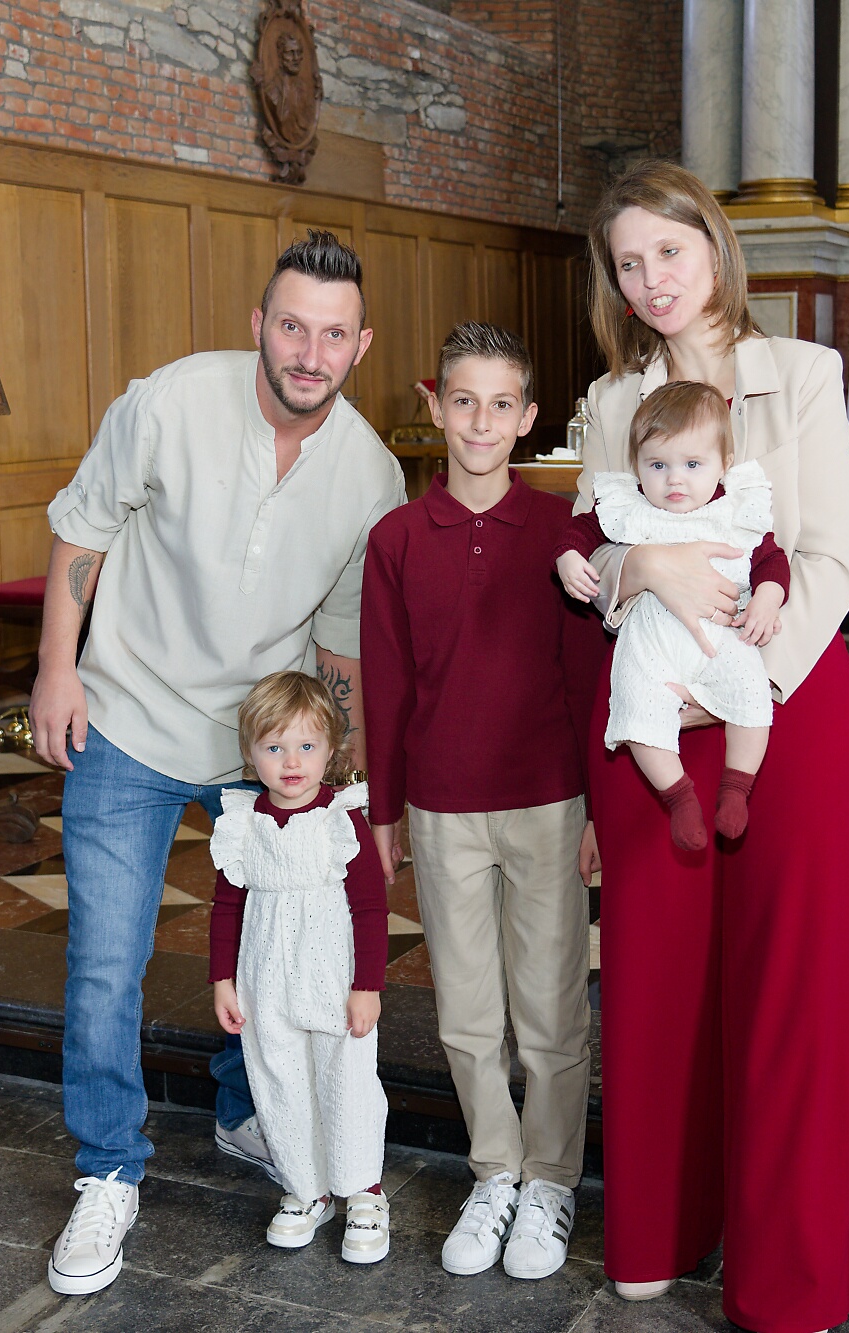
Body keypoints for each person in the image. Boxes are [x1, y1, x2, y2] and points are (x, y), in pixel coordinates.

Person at [33, 231, 404, 1297]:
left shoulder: (371, 474)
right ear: (258, 325)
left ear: (360, 345)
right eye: (292, 326)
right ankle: (108, 1169)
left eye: (332, 335)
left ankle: (248, 1113)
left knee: (285, 948)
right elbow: (82, 534)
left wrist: (344, 788)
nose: (309, 352)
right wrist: (55, 672)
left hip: (266, 746)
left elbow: (340, 646)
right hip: (127, 718)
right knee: (106, 963)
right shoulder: (170, 402)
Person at [575, 160, 849, 1333]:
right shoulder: (611, 400)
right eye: (627, 262)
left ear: (713, 245)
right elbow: (592, 561)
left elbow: (830, 554)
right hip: (652, 720)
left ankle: (785, 1278)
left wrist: (741, 684)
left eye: (668, 250)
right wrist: (636, 566)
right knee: (654, 987)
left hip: (778, 709)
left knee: (791, 994)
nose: (650, 279)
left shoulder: (799, 375)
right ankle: (658, 1229)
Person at [360, 322, 606, 1280]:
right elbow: (386, 684)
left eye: (502, 404)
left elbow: (588, 678)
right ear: (435, 405)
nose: (481, 422)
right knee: (465, 1010)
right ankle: (495, 1170)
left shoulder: (561, 532)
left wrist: (599, 809)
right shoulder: (395, 539)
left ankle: (550, 1179)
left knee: (549, 1005)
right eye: (463, 401)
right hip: (441, 806)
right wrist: (386, 810)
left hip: (548, 800)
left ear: (530, 417)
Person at [555, 380, 789, 850]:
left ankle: (736, 789)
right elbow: (580, 530)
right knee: (637, 713)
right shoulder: (631, 508)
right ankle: (679, 797)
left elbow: (771, 559)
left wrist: (767, 596)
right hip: (651, 646)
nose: (674, 480)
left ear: (724, 463)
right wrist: (567, 556)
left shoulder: (735, 511)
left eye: (692, 465)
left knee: (752, 699)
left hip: (722, 639)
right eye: (658, 465)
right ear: (638, 465)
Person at [209, 672, 392, 1263]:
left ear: (330, 748)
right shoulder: (243, 822)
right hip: (264, 982)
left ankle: (363, 1190)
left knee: (347, 1082)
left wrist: (367, 986)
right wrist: (223, 981)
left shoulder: (341, 820)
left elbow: (370, 909)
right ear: (250, 751)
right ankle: (305, 1188)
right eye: (274, 747)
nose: (292, 762)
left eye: (307, 746)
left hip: (334, 980)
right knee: (279, 1081)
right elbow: (226, 907)